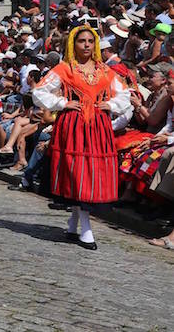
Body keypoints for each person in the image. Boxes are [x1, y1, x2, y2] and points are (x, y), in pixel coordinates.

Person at [32, 25, 130, 250]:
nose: (86, 45)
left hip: (98, 126)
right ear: (72, 44)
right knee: (77, 170)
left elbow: (125, 94)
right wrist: (62, 103)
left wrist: (112, 104)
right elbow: (39, 92)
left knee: (91, 171)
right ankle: (85, 228)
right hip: (73, 125)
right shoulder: (64, 68)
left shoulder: (106, 71)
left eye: (89, 41)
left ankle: (75, 221)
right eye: (81, 41)